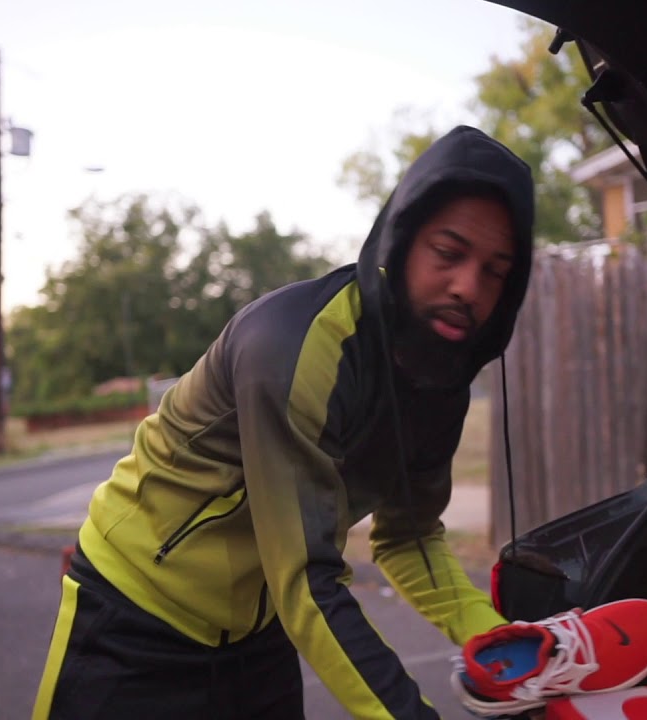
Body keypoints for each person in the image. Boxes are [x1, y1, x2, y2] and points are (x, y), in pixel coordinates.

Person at [32, 125, 536, 720]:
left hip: (260, 626)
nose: (468, 287)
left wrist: (491, 633)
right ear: (400, 242)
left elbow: (408, 536)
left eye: (495, 270)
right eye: (449, 254)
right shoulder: (291, 348)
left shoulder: (439, 377)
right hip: (133, 616)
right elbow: (307, 577)